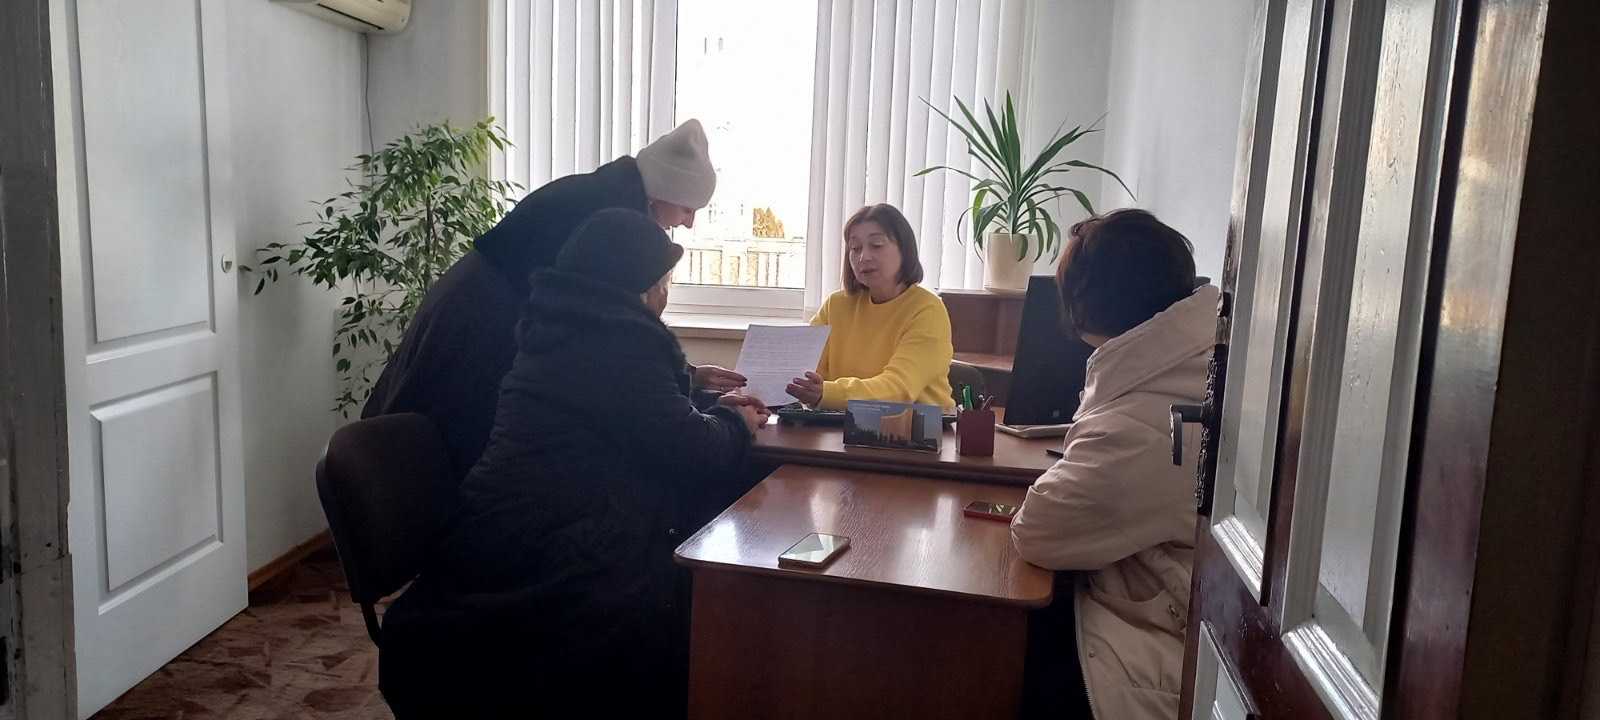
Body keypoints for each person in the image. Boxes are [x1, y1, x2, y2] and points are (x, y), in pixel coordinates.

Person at [378, 208, 768, 717]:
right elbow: (696, 450)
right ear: (640, 286)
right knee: (678, 588)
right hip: (551, 562)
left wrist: (702, 400)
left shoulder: (561, 330)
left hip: (495, 538)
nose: (665, 296)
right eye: (664, 283)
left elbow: (631, 409)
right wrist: (737, 421)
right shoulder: (622, 345)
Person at [362, 119, 747, 480]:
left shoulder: (606, 192)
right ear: (663, 191)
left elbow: (620, 349)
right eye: (687, 209)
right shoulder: (611, 217)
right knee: (443, 447)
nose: (688, 223)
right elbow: (612, 343)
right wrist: (682, 381)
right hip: (483, 317)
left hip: (483, 303)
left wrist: (684, 375)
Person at [1009, 209, 1214, 720]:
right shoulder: (1196, 361)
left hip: (1153, 647)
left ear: (1084, 308)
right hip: (1168, 609)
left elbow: (1039, 531)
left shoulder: (1145, 423)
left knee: (1001, 633)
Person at [786, 204, 954, 410]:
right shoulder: (836, 305)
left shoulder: (927, 310)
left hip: (915, 426)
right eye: (855, 248)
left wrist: (825, 393)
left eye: (876, 245)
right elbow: (802, 368)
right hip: (839, 423)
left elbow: (898, 390)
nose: (863, 257)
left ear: (904, 250)